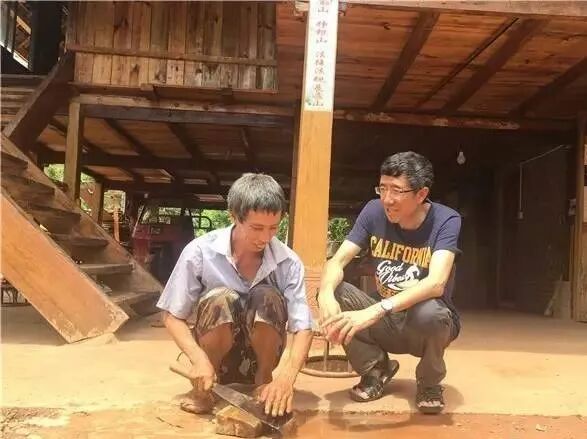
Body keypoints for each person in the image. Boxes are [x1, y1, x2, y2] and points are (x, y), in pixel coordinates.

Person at [157, 173, 313, 417]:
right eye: (256, 228)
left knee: (266, 296)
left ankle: (263, 382)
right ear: (233, 217)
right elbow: (171, 315)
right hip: (214, 360)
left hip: (264, 360)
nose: (265, 238)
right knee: (221, 298)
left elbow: (303, 327)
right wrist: (198, 360)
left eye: (273, 228)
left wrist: (286, 378)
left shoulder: (288, 262)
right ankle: (206, 388)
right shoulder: (199, 252)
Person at [318, 151, 461, 414]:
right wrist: (325, 294)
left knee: (432, 312)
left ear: (421, 194)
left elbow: (436, 283)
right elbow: (338, 261)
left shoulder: (445, 219)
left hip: (422, 324)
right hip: (386, 320)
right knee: (337, 291)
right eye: (382, 188)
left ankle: (429, 383)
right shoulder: (373, 211)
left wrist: (374, 311)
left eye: (396, 190)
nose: (387, 199)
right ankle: (376, 369)